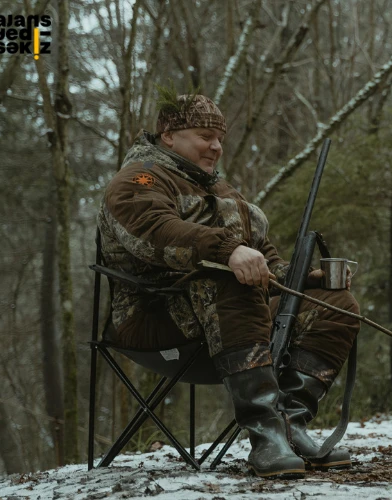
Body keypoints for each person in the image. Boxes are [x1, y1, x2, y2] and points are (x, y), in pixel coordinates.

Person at [98, 94, 359, 478]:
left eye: (220, 138)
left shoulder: (221, 190)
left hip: (231, 321)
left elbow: (263, 261)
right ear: (168, 135)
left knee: (335, 302)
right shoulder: (138, 179)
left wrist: (305, 278)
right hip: (152, 320)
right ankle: (266, 434)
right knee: (231, 281)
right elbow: (154, 233)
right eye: (205, 136)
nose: (216, 147)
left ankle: (291, 423)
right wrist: (229, 251)